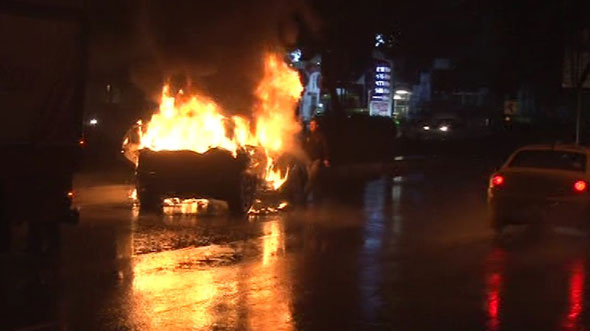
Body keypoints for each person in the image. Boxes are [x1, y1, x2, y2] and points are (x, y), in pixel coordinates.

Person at [303, 118, 330, 195]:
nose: (311, 126)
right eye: (310, 124)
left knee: (312, 178)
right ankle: (317, 194)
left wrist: (326, 159)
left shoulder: (320, 136)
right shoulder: (307, 135)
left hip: (316, 160)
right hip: (308, 160)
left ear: (317, 126)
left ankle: (304, 195)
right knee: (311, 178)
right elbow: (303, 147)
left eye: (313, 124)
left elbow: (325, 147)